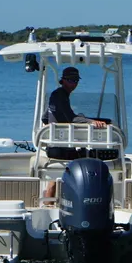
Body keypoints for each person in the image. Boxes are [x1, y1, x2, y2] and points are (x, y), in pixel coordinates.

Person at [42, 66, 106, 200]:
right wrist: (90, 122)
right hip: (59, 148)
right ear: (63, 80)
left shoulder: (58, 94)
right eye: (71, 80)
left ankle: (49, 201)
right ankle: (86, 197)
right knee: (89, 157)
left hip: (56, 145)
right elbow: (71, 119)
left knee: (80, 151)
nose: (74, 83)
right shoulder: (60, 95)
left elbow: (45, 117)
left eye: (76, 80)